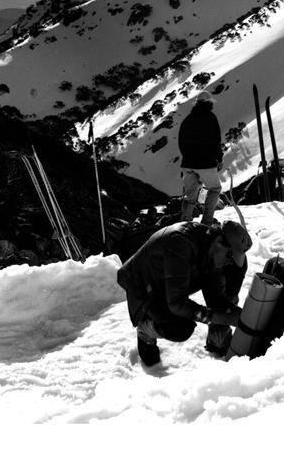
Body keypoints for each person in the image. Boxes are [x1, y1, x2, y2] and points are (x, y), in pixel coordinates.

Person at [116, 219, 252, 366]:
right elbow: (177, 303)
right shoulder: (180, 243)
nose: (228, 262)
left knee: (227, 280)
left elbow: (221, 296)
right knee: (180, 328)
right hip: (143, 285)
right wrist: (223, 318)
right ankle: (146, 330)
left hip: (170, 279)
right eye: (229, 257)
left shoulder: (211, 247)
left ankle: (217, 339)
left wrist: (239, 316)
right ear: (219, 242)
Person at [178, 90, 224, 224]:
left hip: (188, 163)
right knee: (215, 189)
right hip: (206, 163)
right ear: (209, 103)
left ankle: (185, 222)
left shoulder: (188, 119)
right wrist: (219, 159)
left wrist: (187, 157)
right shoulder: (211, 118)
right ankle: (207, 220)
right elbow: (216, 141)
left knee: (190, 195)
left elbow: (181, 142)